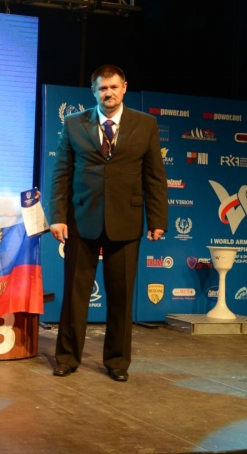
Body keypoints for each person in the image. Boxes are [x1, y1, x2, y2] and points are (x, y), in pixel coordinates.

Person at [49, 65, 167, 382]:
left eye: (114, 87)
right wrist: (57, 216)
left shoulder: (145, 125)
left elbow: (155, 177)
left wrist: (157, 219)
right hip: (80, 221)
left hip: (126, 224)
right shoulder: (74, 124)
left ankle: (117, 361)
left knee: (122, 296)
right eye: (102, 89)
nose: (108, 93)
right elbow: (61, 174)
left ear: (124, 87)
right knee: (75, 295)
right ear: (94, 91)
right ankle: (67, 357)